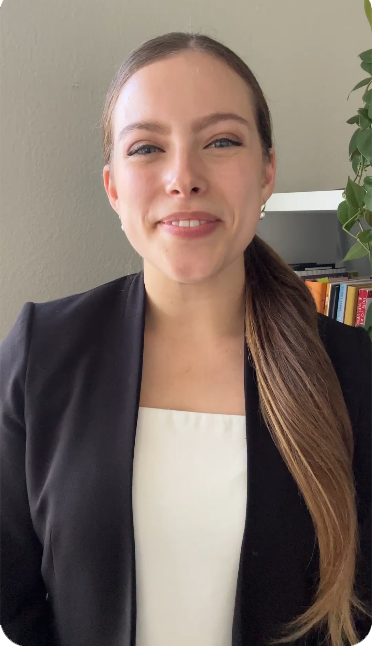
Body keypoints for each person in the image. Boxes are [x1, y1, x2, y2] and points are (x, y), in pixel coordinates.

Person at [0, 32, 371, 647]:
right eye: (146, 147)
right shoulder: (40, 352)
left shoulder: (348, 366)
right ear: (114, 186)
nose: (183, 177)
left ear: (267, 170)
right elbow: (15, 594)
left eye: (221, 141)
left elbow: (353, 606)